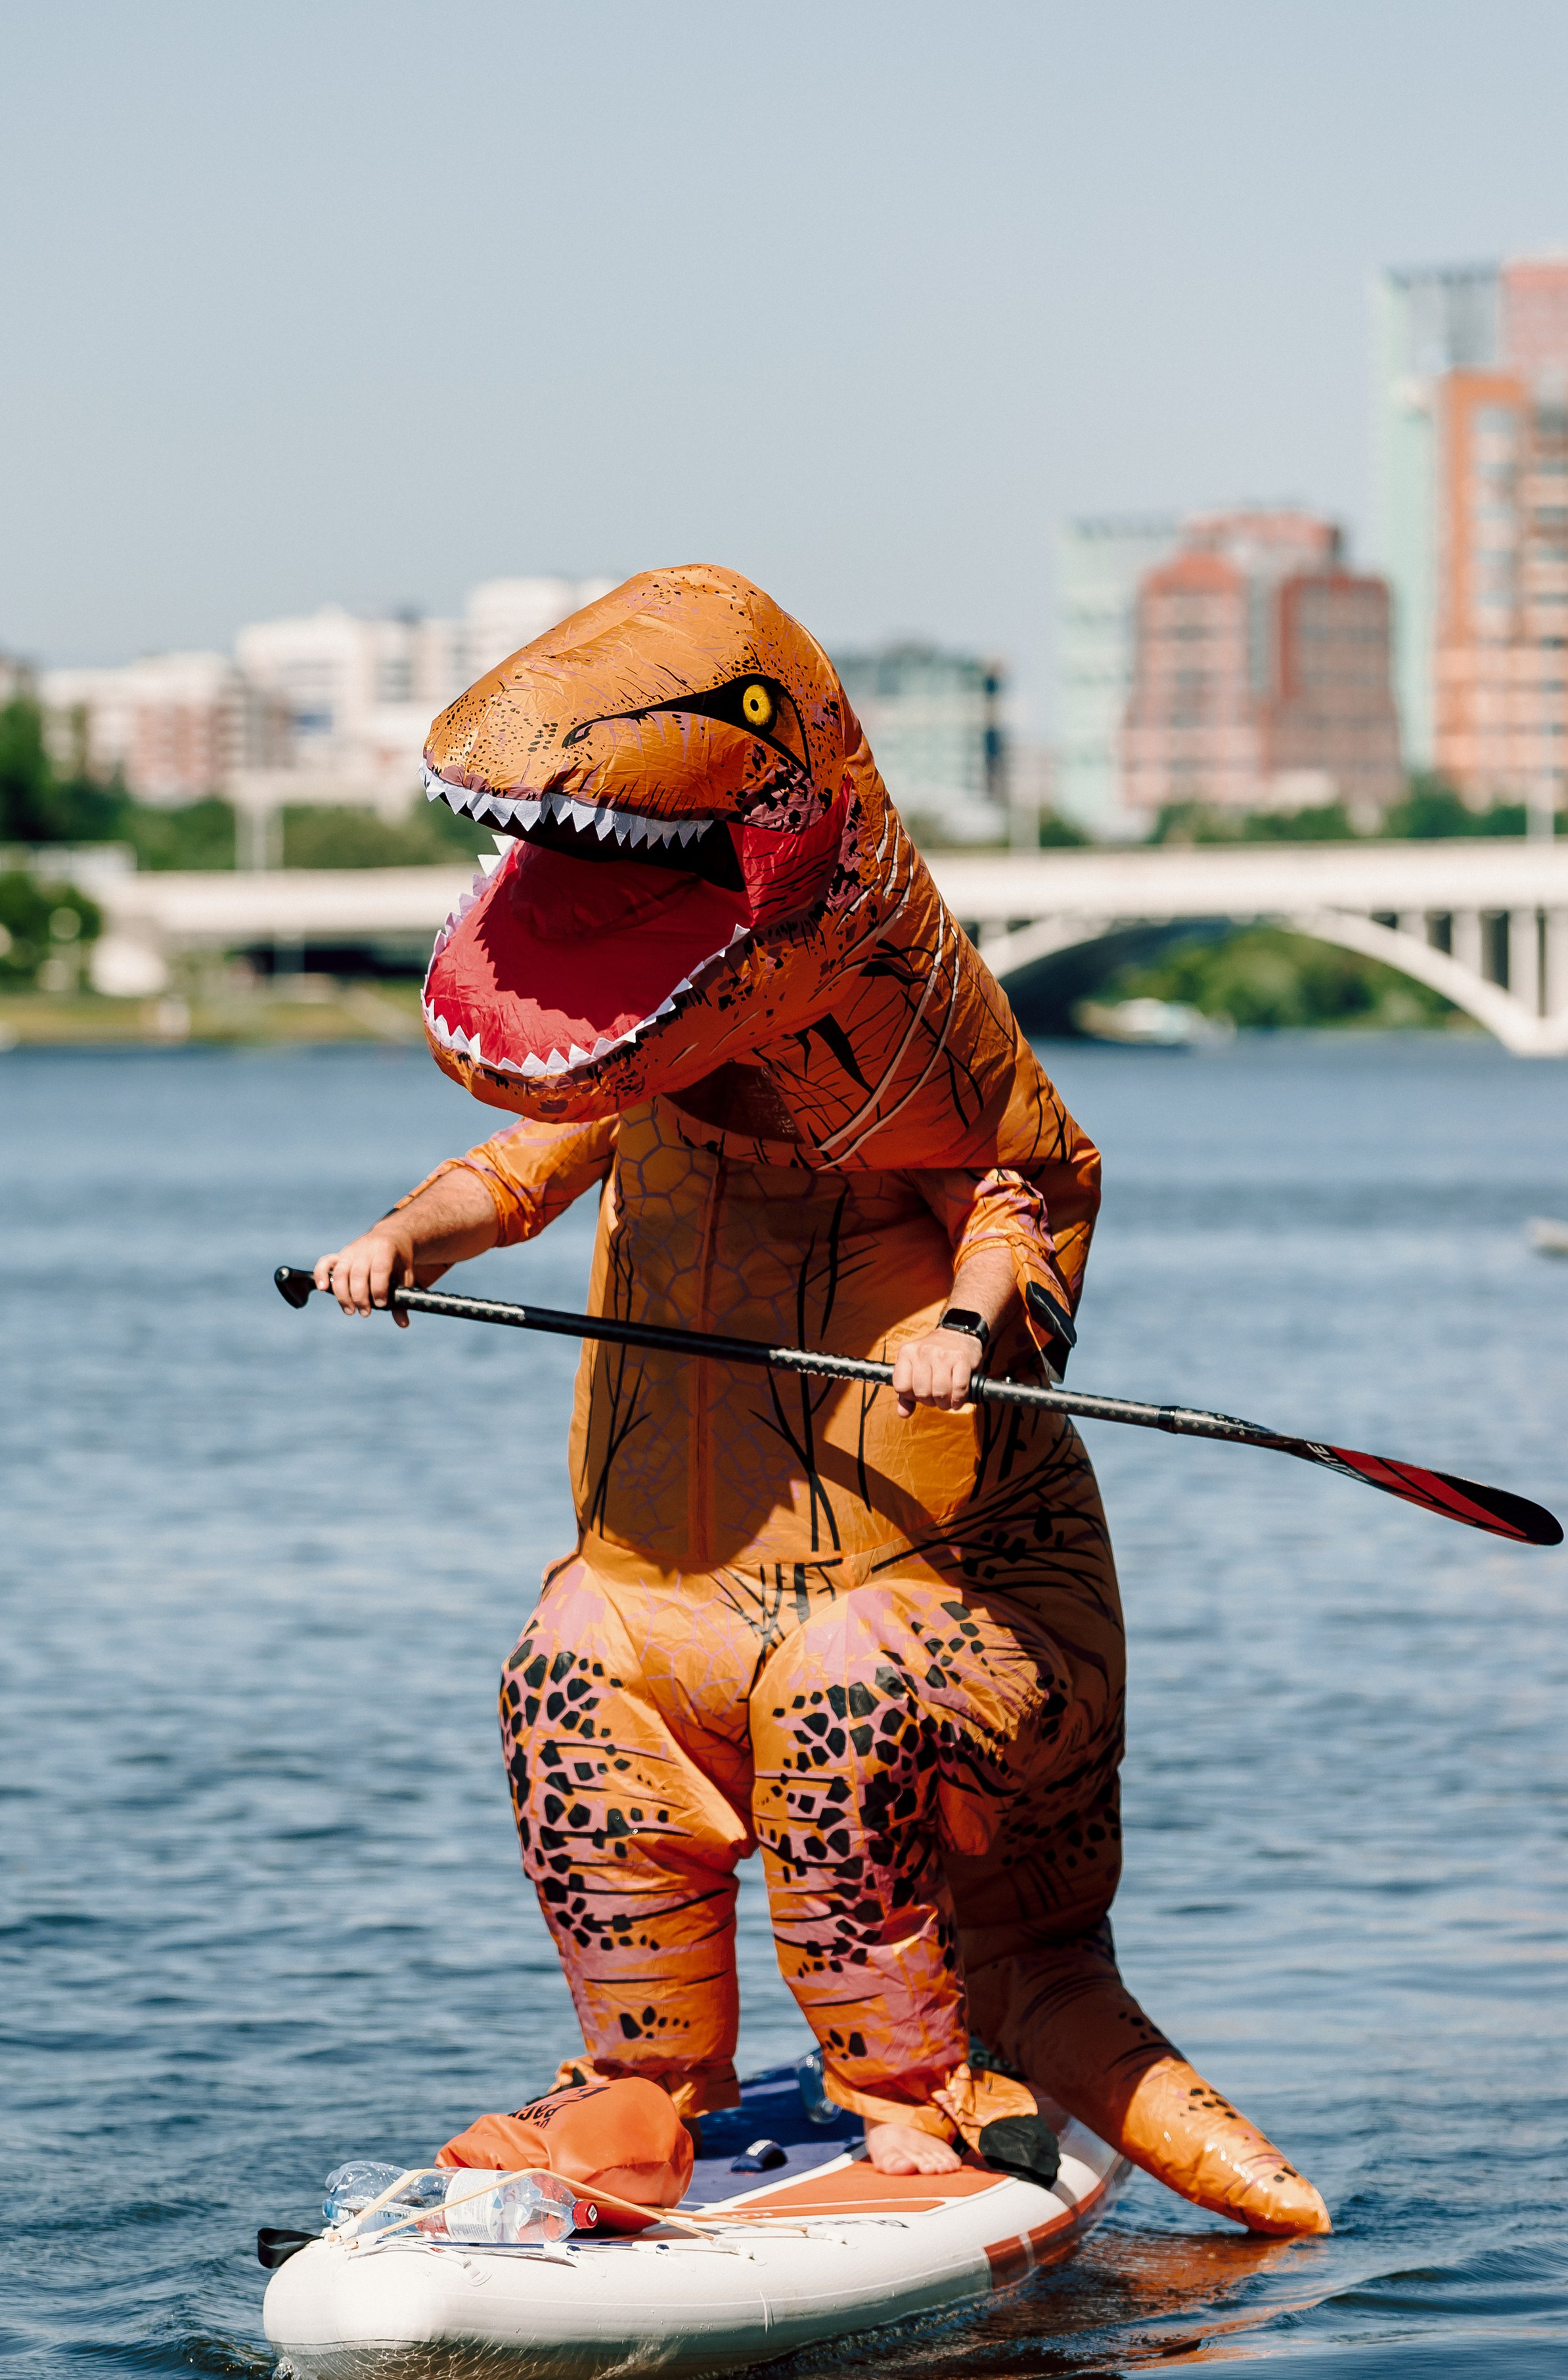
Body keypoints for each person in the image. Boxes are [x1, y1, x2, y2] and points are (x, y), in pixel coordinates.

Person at [313, 565, 1328, 2230]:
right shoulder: (648, 1026)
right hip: (675, 1606)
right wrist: (404, 1238)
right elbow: (515, 1166)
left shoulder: (908, 1013)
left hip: (941, 1606)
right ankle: (644, 2079)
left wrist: (968, 1317)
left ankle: (915, 2091)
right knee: (567, 1660)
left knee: (839, 1693)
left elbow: (1027, 1178)